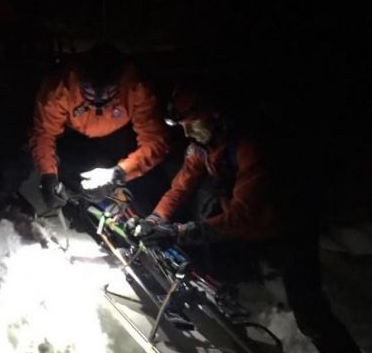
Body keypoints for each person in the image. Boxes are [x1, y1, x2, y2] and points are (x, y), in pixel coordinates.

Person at [134, 82, 362, 353]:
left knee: (308, 308)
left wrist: (179, 232)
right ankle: (241, 298)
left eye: (191, 123)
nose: (187, 132)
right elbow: (181, 186)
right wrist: (155, 218)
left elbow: (242, 216)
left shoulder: (249, 146)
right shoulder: (203, 146)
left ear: (214, 115)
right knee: (210, 216)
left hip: (289, 223)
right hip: (253, 224)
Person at [29, 41, 170, 216]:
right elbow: (44, 133)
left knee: (150, 186)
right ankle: (88, 206)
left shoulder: (136, 87)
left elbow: (155, 141)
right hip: (77, 140)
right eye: (89, 91)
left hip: (121, 138)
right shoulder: (60, 87)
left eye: (107, 92)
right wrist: (48, 176)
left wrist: (119, 173)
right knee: (79, 178)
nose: (97, 99)